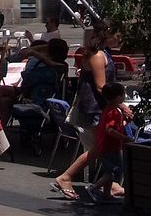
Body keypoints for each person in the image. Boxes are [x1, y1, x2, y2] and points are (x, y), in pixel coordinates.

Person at [52, 25, 121, 201]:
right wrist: (121, 104)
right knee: (98, 149)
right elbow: (101, 86)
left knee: (103, 148)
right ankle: (65, 177)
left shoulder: (102, 53)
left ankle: (109, 187)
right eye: (117, 35)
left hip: (98, 107)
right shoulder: (98, 55)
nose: (119, 39)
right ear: (107, 35)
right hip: (95, 109)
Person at [88, 82, 128, 202]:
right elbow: (109, 130)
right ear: (117, 97)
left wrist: (124, 122)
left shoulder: (107, 110)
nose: (124, 97)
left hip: (104, 145)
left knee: (109, 169)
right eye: (123, 94)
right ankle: (94, 187)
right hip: (111, 146)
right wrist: (124, 138)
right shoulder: (114, 112)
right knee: (114, 171)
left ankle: (106, 194)